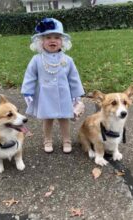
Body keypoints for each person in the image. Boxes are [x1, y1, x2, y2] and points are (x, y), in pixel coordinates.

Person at [21, 18, 85, 153]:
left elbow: (73, 78)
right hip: (45, 96)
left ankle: (66, 140)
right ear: (41, 42)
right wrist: (28, 91)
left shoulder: (67, 60)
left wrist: (76, 96)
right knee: (47, 119)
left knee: (64, 119)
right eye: (48, 37)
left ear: (62, 41)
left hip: (63, 95)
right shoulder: (37, 59)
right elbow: (30, 76)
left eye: (57, 37)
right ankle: (47, 140)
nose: (52, 40)